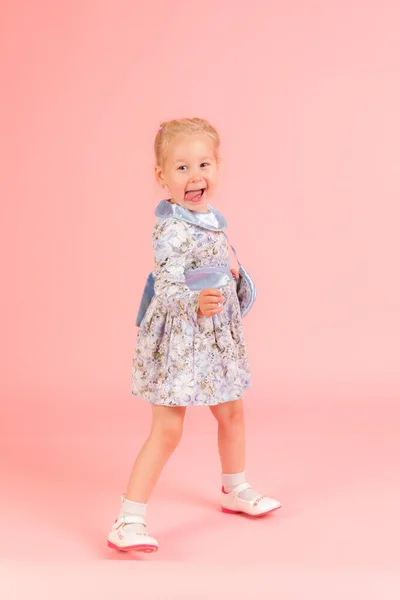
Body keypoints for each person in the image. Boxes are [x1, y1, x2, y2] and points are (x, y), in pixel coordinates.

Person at [107, 118, 281, 553]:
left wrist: (236, 277)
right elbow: (167, 284)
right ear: (161, 175)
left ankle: (234, 488)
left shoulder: (212, 219)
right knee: (168, 428)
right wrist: (194, 301)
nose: (195, 175)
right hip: (180, 337)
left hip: (214, 338)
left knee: (232, 413)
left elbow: (223, 266)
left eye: (204, 163)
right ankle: (128, 519)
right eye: (181, 167)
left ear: (218, 167)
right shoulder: (169, 226)